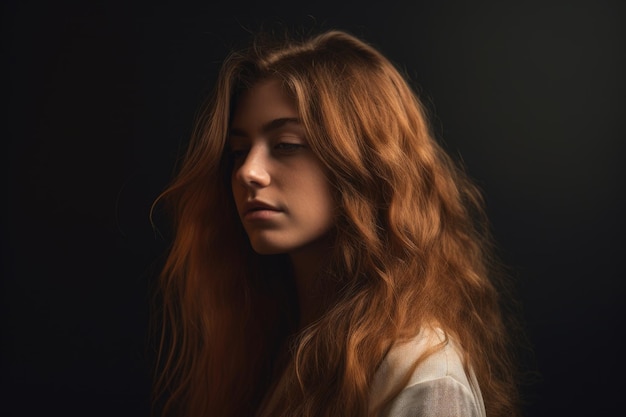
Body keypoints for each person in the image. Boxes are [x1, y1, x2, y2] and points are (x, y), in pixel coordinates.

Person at [151, 27, 523, 417]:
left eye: (286, 146)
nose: (249, 172)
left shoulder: (420, 373)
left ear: (363, 165)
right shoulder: (275, 346)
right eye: (238, 151)